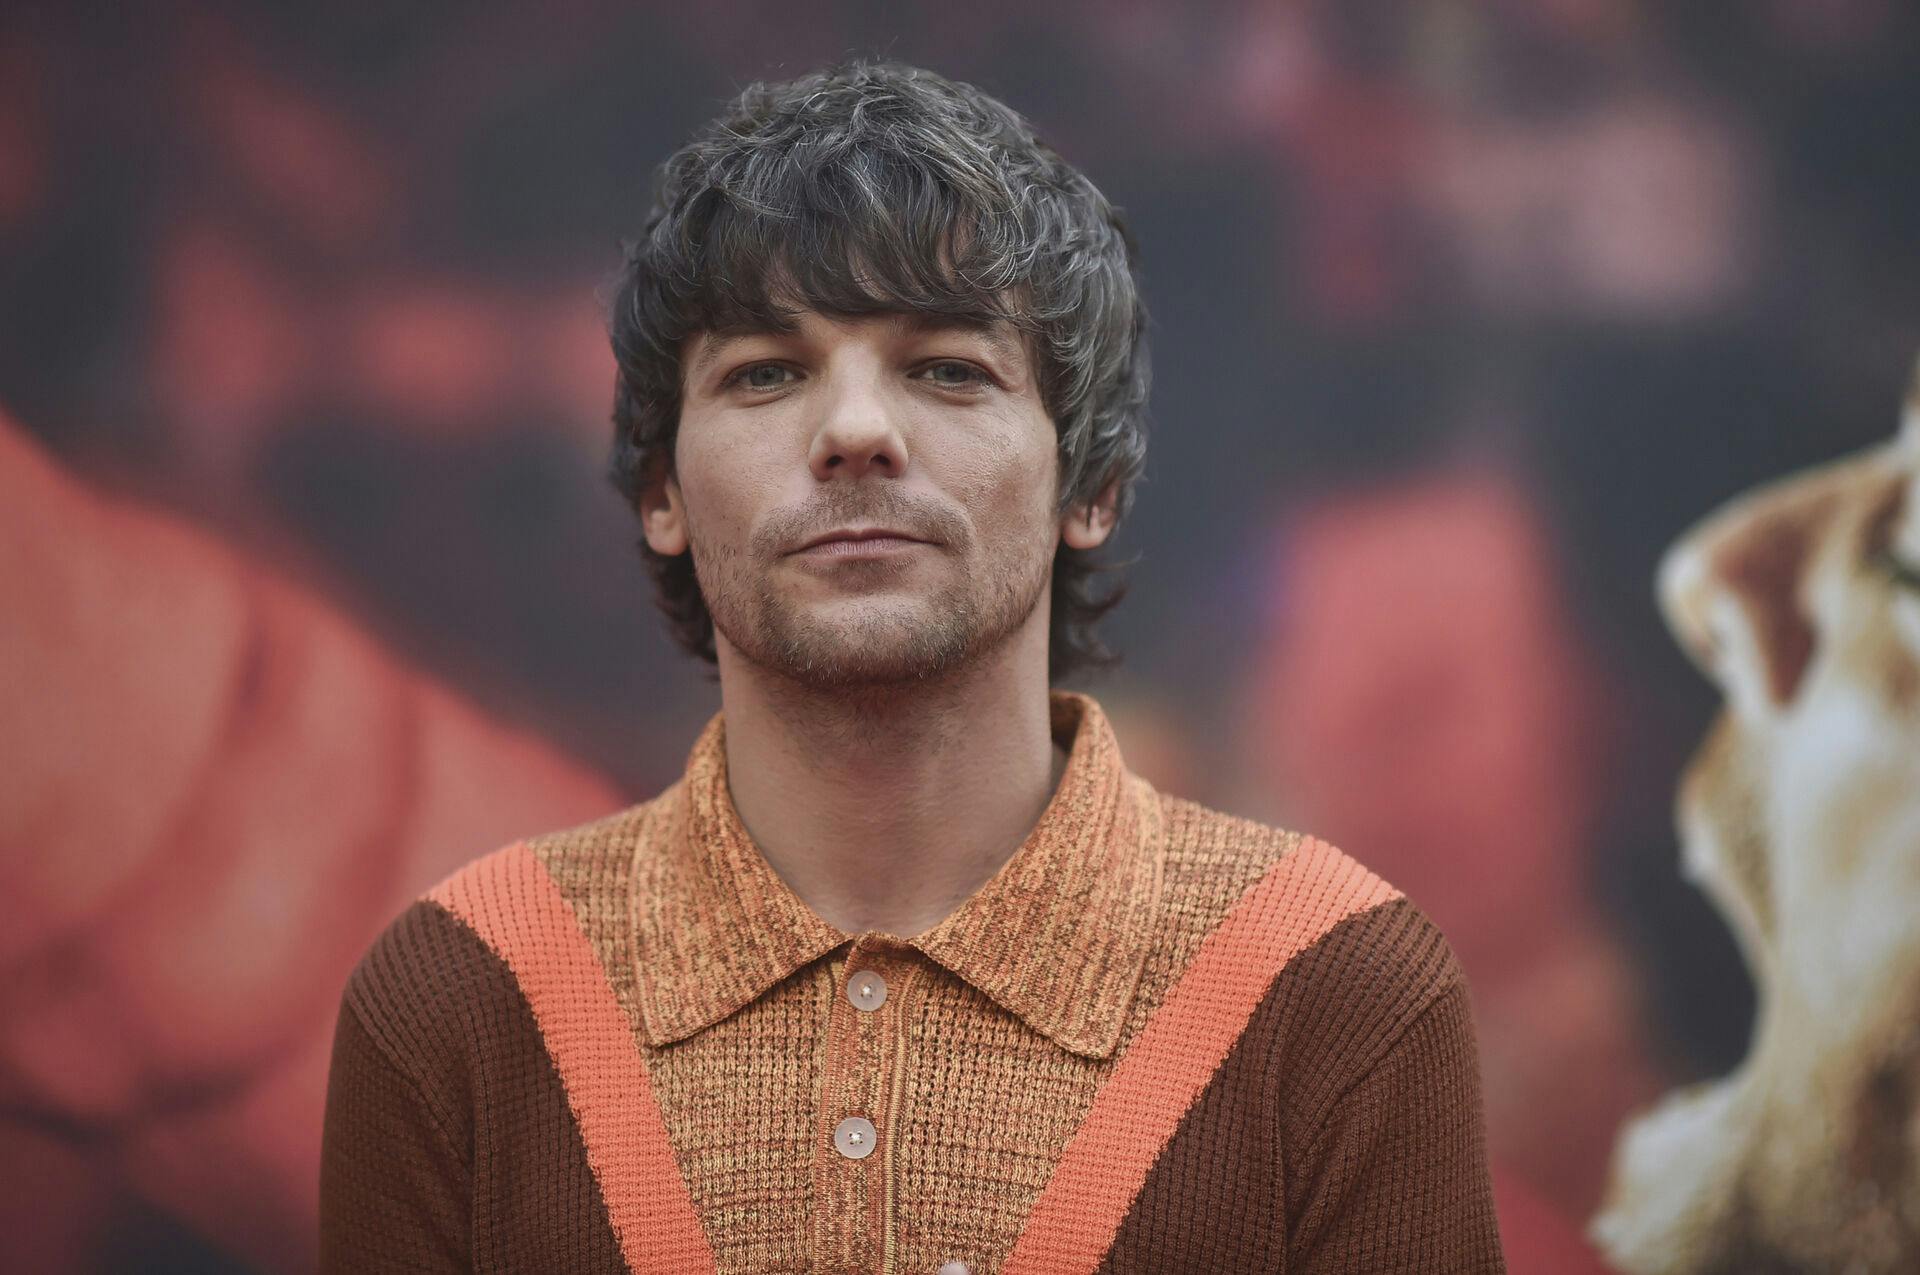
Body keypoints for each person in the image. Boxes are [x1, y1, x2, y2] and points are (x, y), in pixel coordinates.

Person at [318, 58, 1507, 1274]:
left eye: (948, 369)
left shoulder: (1337, 993)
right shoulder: (464, 999)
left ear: (1090, 485)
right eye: (765, 374)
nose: (855, 433)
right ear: (662, 492)